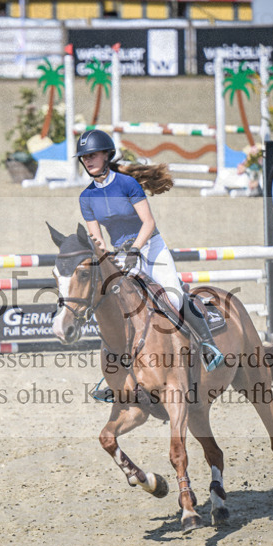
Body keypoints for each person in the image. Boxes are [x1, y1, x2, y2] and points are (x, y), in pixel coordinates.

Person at [75, 129, 224, 371]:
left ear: (106, 155)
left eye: (93, 154)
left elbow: (149, 222)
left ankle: (208, 346)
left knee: (173, 296)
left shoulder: (127, 184)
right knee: (118, 306)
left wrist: (135, 250)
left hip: (150, 245)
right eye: (85, 157)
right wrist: (99, 257)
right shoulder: (86, 197)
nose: (88, 160)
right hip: (121, 255)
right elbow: (97, 239)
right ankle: (115, 370)